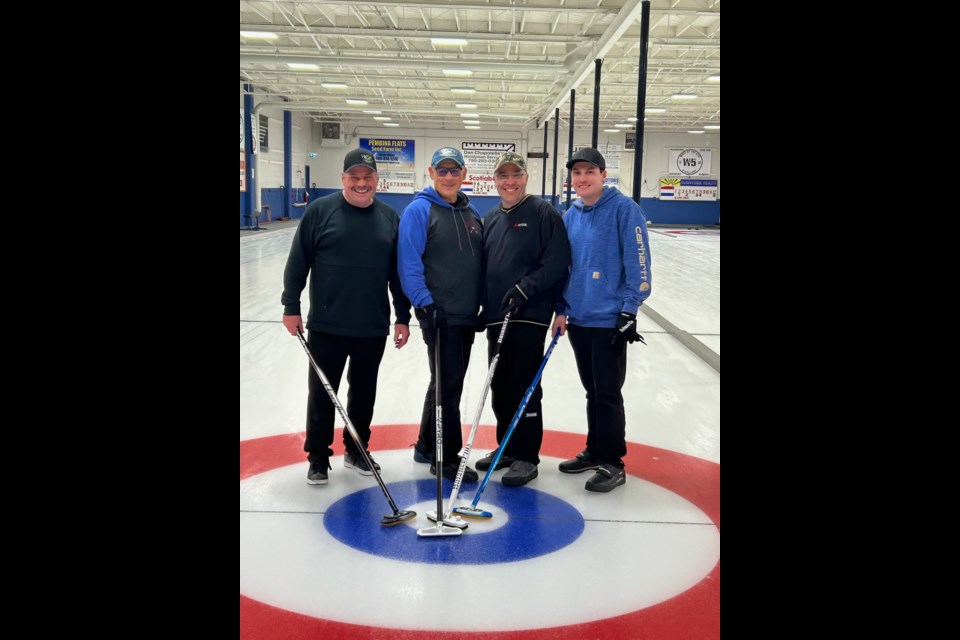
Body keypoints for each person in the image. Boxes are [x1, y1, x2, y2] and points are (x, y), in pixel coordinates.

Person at [281, 148, 412, 486]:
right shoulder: (319, 212)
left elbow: (397, 274)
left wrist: (402, 316)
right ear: (343, 179)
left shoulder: (389, 218)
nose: (361, 183)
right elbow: (298, 262)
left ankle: (357, 449)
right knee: (323, 392)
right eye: (354, 177)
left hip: (371, 324)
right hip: (328, 324)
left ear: (376, 181)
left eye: (367, 177)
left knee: (364, 392)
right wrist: (290, 306)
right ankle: (319, 456)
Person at [552, 148, 651, 493]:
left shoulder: (625, 210)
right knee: (591, 390)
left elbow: (639, 261)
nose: (582, 178)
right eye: (577, 173)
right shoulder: (570, 215)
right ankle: (595, 450)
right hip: (579, 316)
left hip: (609, 318)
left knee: (607, 392)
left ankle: (613, 461)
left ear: (603, 174)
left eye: (589, 172)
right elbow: (564, 267)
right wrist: (562, 309)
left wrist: (629, 309)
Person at [475, 151, 571, 487]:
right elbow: (483, 269)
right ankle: (509, 448)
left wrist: (526, 289)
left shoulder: (543, 213)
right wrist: (480, 308)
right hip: (496, 317)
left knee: (524, 386)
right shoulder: (490, 219)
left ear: (526, 177)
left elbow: (558, 261)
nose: (510, 182)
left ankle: (527, 456)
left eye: (515, 175)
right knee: (500, 386)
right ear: (495, 180)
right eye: (503, 176)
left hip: (528, 315)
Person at [398, 146, 483, 483]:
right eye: (442, 171)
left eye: (454, 171)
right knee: (449, 386)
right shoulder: (419, 211)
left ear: (464, 175)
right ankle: (446, 458)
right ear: (431, 174)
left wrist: (479, 304)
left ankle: (424, 445)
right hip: (439, 314)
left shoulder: (470, 212)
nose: (449, 176)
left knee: (445, 381)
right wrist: (426, 304)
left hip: (465, 315)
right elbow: (408, 263)